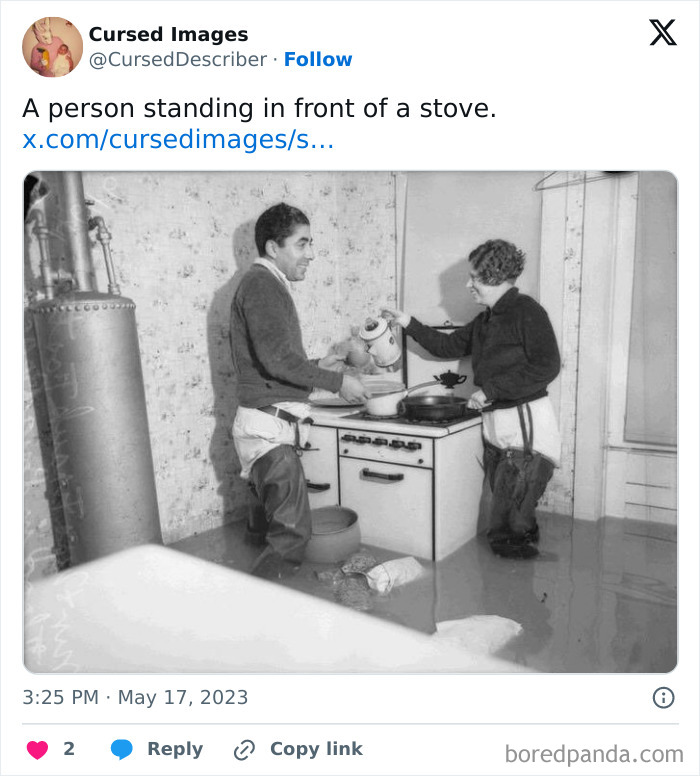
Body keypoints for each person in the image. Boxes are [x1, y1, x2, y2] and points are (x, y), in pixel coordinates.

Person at [383, 239, 561, 559]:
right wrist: (407, 322)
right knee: (511, 513)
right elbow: (446, 347)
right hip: (498, 426)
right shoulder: (486, 320)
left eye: (475, 277)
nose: (468, 285)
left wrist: (491, 390)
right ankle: (523, 549)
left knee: (505, 529)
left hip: (525, 428)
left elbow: (547, 366)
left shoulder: (527, 312)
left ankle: (515, 571)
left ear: (495, 277)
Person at [230, 203, 369, 577]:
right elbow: (277, 361)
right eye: (302, 243)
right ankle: (263, 603)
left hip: (267, 425)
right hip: (269, 433)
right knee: (292, 535)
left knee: (266, 528)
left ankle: (255, 597)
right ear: (273, 247)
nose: (311, 254)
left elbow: (272, 361)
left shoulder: (267, 284)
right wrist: (339, 382)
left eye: (311, 243)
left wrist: (320, 366)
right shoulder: (262, 285)